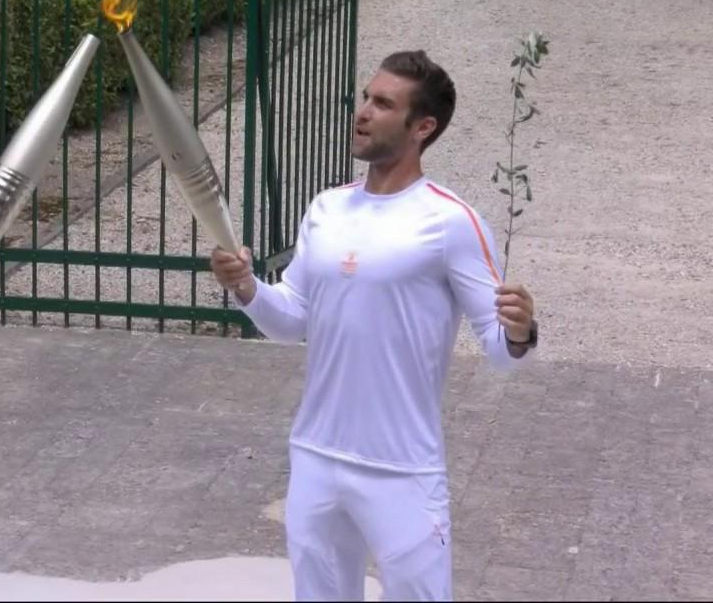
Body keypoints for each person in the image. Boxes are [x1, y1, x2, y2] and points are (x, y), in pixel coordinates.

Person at [210, 50, 537, 601]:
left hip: (402, 470)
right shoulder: (326, 209)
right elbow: (292, 320)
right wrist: (246, 287)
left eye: (383, 104)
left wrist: (522, 331)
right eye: (366, 97)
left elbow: (501, 352)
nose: (362, 111)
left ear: (422, 127)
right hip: (316, 454)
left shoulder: (452, 222)